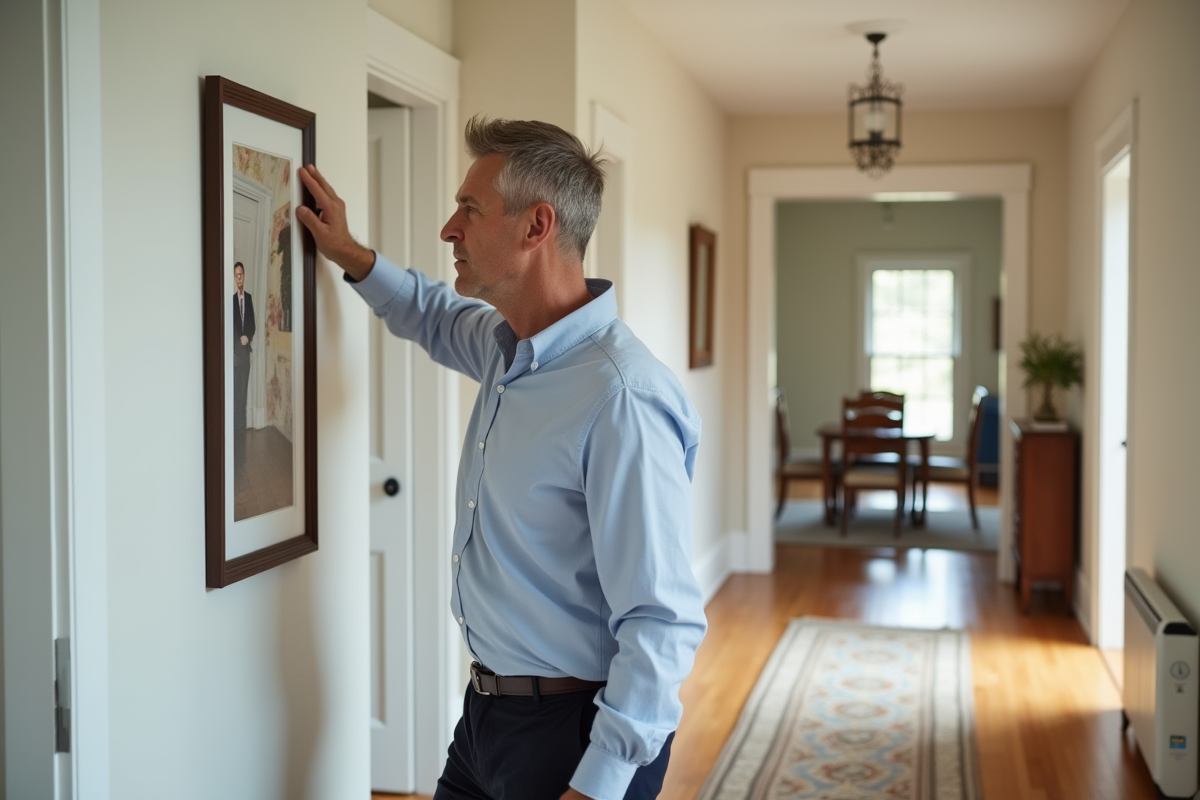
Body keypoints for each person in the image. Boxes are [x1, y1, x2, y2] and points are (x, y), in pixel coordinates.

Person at [296, 117, 707, 800]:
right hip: (489, 716)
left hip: (578, 737)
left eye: (470, 209)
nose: (448, 229)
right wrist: (351, 254)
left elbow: (661, 620)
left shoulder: (622, 397)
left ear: (536, 226)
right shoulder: (504, 345)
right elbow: (428, 315)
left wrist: (598, 784)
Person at [232, 261, 256, 476]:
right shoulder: (230, 301)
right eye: (236, 275)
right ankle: (234, 434)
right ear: (233, 278)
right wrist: (236, 341)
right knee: (235, 395)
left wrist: (247, 337)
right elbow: (229, 327)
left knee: (243, 394)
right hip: (234, 358)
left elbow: (253, 325)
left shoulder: (248, 299)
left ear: (244, 276)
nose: (239, 278)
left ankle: (240, 434)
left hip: (245, 354)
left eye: (241, 275)